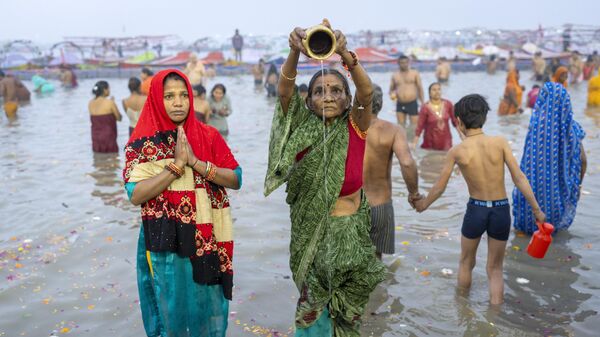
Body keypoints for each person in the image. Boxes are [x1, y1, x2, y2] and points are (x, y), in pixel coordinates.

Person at [264, 20, 385, 336]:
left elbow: (367, 91)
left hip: (353, 238)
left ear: (347, 99)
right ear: (308, 101)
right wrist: (294, 51)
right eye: (319, 91)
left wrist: (344, 52)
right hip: (313, 241)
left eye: (336, 91)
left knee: (348, 319)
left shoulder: (356, 126)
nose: (328, 97)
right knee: (312, 318)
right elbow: (285, 90)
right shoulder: (301, 130)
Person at [123, 69, 242, 337]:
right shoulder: (142, 144)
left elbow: (235, 178)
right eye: (169, 96)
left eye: (183, 95)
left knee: (205, 302)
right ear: (155, 99)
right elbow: (135, 194)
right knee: (169, 307)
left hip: (206, 237)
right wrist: (175, 167)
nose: (178, 102)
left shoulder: (208, 136)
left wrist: (196, 163)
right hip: (163, 241)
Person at [414, 94, 546, 305]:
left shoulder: (457, 151)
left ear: (458, 121)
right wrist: (537, 210)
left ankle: (462, 309)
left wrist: (423, 205)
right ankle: (495, 314)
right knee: (495, 268)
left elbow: (440, 187)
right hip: (501, 210)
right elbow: (519, 178)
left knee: (466, 262)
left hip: (476, 210)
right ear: (485, 117)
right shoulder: (500, 143)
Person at [513, 82, 586, 234]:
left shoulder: (536, 128)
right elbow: (583, 161)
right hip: (558, 194)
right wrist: (578, 185)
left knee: (526, 238)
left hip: (531, 195)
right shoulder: (573, 129)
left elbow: (526, 161)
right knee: (552, 235)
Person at [363, 84, 420, 260]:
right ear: (380, 104)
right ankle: (379, 289)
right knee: (375, 262)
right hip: (381, 205)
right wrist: (414, 193)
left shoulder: (347, 129)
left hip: (351, 206)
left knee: (350, 261)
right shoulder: (393, 130)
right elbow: (407, 163)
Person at [412, 82, 460, 151]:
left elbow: (455, 122)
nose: (437, 92)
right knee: (430, 160)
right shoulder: (425, 107)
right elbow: (419, 126)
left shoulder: (448, 104)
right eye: (434, 90)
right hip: (430, 143)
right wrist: (414, 144)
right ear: (429, 93)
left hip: (446, 142)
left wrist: (462, 136)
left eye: (439, 89)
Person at [390, 55, 424, 129]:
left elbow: (420, 88)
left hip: (412, 102)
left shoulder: (414, 73)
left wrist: (422, 103)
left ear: (408, 63)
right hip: (400, 103)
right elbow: (391, 90)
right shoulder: (395, 75)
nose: (404, 64)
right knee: (400, 126)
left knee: (414, 127)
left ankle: (412, 140)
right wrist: (393, 98)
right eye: (402, 62)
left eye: (406, 62)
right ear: (398, 63)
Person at [88, 81, 122, 153]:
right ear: (104, 90)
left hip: (95, 137)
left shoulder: (90, 103)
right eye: (109, 88)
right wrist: (113, 103)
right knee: (112, 159)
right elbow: (119, 118)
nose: (109, 90)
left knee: (98, 159)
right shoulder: (109, 103)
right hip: (108, 137)